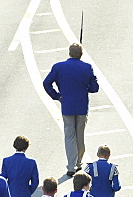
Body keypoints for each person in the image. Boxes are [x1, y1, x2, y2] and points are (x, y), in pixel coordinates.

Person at [42, 43, 100, 176]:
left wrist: (57, 96)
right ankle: (79, 162)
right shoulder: (87, 67)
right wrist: (85, 87)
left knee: (69, 136)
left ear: (69, 53)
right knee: (80, 135)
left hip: (67, 105)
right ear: (81, 54)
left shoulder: (59, 67)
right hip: (82, 106)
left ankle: (71, 166)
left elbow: (46, 83)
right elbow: (94, 88)